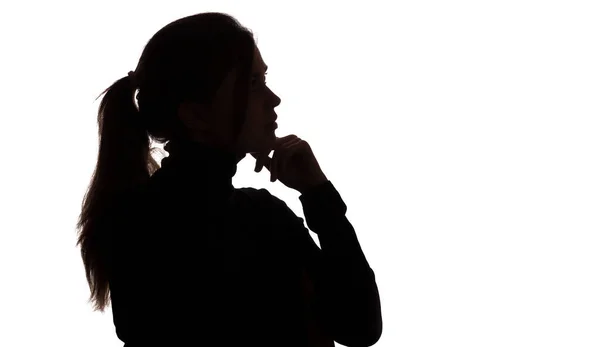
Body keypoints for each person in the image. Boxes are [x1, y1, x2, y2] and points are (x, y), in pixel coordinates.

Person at [75, 12, 382, 347]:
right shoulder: (151, 229)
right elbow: (357, 326)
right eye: (252, 83)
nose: (273, 99)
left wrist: (318, 193)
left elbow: (359, 327)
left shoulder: (261, 215)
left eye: (264, 79)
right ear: (196, 114)